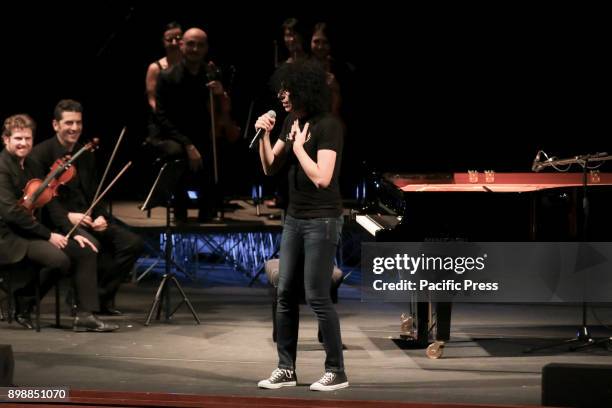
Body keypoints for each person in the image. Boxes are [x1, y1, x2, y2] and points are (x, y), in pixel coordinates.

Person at [256, 60, 348, 391]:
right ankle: (286, 368)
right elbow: (269, 167)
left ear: (304, 89)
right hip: (295, 219)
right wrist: (266, 135)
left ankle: (336, 371)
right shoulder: (291, 121)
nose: (282, 95)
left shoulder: (328, 125)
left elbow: (323, 177)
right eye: (280, 89)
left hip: (322, 219)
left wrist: (298, 148)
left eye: (287, 89)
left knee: (317, 296)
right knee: (284, 294)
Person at [0, 114, 118, 332]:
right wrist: (49, 235)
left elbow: (51, 202)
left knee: (85, 249)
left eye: (27, 138)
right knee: (59, 259)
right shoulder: (2, 167)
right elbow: (12, 213)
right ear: (5, 139)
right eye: (18, 138)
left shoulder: (33, 165)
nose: (24, 143)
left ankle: (85, 315)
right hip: (10, 236)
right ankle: (24, 300)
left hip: (33, 230)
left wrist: (71, 232)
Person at [31, 100, 144, 316]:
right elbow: (40, 200)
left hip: (88, 218)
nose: (74, 128)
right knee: (93, 246)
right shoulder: (41, 154)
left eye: (78, 123)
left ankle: (98, 296)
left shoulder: (86, 153)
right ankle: (86, 302)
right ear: (56, 125)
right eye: (69, 123)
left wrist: (100, 215)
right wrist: (68, 216)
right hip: (59, 222)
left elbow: (95, 191)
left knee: (132, 243)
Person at [154, 27, 230, 222]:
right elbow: (161, 117)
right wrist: (188, 144)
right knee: (177, 153)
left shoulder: (211, 75)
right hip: (173, 134)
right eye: (190, 44)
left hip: (202, 132)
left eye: (200, 45)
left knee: (218, 149)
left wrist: (220, 92)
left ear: (206, 48)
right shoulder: (167, 76)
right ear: (181, 45)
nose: (195, 49)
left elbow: (221, 110)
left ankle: (208, 210)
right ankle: (179, 211)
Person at [145, 21, 183, 113]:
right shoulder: (155, 68)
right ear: (163, 41)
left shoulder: (192, 63)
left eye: (178, 38)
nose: (174, 43)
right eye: (169, 40)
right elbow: (152, 99)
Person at [310, 22, 342, 117]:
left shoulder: (340, 69)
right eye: (316, 41)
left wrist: (336, 89)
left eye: (325, 42)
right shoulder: (303, 68)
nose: (320, 47)